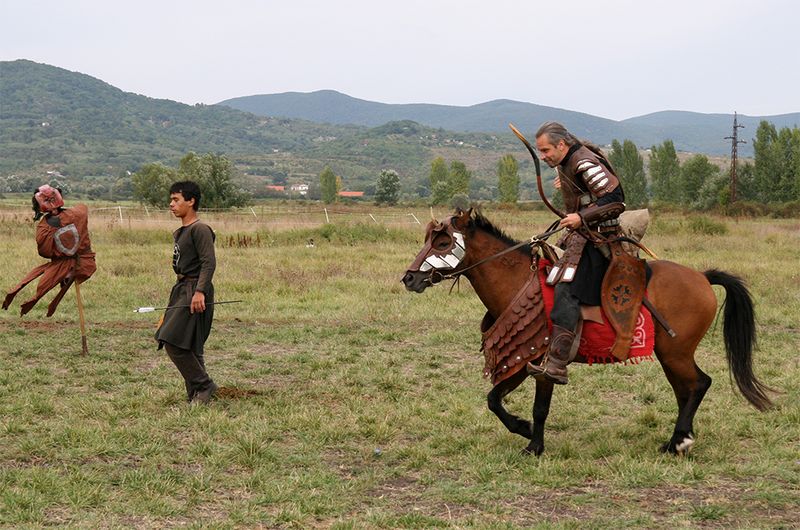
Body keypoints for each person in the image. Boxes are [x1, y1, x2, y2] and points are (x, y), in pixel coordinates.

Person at [527, 122, 626, 385]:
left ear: (562, 145)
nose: (543, 156)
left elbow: (616, 200)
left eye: (546, 150)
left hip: (599, 239)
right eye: (540, 151)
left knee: (566, 288)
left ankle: (557, 362)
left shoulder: (582, 161)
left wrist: (581, 217)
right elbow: (590, 191)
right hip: (582, 236)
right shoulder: (570, 161)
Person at [155, 181, 218, 404]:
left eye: (176, 200)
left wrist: (200, 291)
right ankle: (196, 394)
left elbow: (208, 263)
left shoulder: (199, 229)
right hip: (182, 289)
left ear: (191, 201)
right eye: (171, 200)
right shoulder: (183, 230)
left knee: (171, 340)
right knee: (189, 343)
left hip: (194, 289)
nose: (171, 204)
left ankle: (204, 385)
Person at [3, 185, 96, 316]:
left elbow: (45, 251)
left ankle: (68, 272)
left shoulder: (74, 215)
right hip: (63, 263)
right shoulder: (47, 225)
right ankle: (67, 272)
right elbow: (45, 251)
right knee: (48, 281)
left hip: (82, 261)